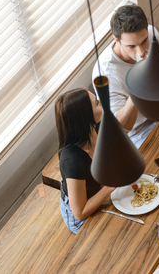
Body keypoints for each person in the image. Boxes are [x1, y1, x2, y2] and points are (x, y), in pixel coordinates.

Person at [92, 5, 159, 148]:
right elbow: (123, 127)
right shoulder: (105, 73)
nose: (141, 52)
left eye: (143, 42)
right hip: (137, 133)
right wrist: (137, 85)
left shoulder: (151, 33)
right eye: (131, 46)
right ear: (117, 40)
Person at [55, 88, 115, 234]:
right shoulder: (72, 161)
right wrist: (110, 186)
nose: (102, 103)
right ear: (85, 118)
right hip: (80, 216)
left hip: (98, 188)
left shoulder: (96, 127)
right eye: (97, 103)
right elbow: (80, 212)